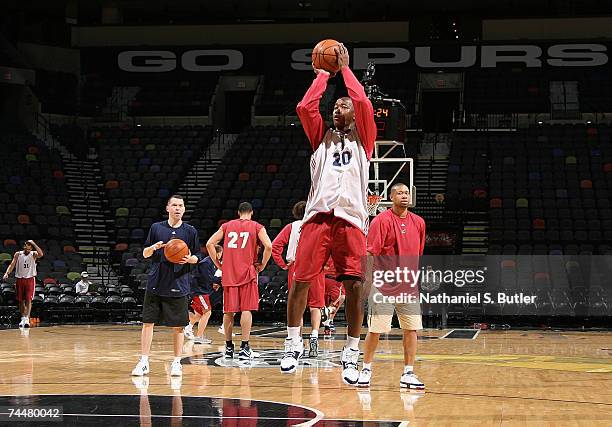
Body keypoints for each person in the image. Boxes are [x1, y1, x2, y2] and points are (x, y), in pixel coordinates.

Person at [281, 43, 376, 386]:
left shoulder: (365, 139)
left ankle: (351, 351)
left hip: (350, 220)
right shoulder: (319, 137)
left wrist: (346, 70)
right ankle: (293, 342)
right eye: (335, 106)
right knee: (300, 280)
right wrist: (323, 74)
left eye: (343, 106)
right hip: (318, 218)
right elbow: (306, 106)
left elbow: (363, 102)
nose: (338, 109)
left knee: (353, 286)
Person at [358, 183, 426, 390]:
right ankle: (366, 369)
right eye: (399, 193)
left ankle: (408, 372)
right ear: (391, 197)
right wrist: (368, 282)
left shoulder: (419, 222)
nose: (404, 196)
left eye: (406, 193)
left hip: (408, 284)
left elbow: (419, 251)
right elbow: (370, 253)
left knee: (411, 329)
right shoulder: (381, 220)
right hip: (383, 284)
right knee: (376, 330)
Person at [132, 195, 202, 377]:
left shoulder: (190, 231)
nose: (178, 208)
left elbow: (197, 257)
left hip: (179, 282)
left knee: (178, 326)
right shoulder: (157, 228)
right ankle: (144, 361)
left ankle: (177, 362)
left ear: (184, 209)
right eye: (174, 205)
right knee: (148, 323)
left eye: (181, 205)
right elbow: (146, 254)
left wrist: (190, 259)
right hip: (156, 282)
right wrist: (154, 248)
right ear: (168, 208)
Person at [206, 202, 273, 360]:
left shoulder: (227, 226)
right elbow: (269, 246)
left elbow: (209, 244)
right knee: (246, 310)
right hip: (247, 273)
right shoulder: (257, 226)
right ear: (251, 213)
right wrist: (262, 264)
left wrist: (219, 264)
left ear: (238, 213)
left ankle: (229, 348)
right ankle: (244, 347)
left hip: (229, 274)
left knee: (229, 312)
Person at [272, 201, 325, 357]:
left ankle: (297, 340)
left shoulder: (291, 227)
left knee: (297, 305)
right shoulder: (319, 226)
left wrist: (283, 264)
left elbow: (275, 246)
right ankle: (314, 335)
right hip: (316, 267)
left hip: (296, 266)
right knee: (316, 306)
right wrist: (327, 265)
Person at [183, 245, 223, 344]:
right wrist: (221, 281)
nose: (221, 256)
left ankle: (188, 327)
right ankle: (199, 337)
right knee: (207, 312)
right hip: (198, 291)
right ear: (217, 253)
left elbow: (210, 279)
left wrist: (216, 283)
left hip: (203, 290)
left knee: (199, 315)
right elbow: (208, 278)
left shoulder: (214, 263)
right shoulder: (206, 262)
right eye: (221, 254)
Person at [3, 240, 44, 328]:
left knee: (28, 300)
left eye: (30, 247)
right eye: (27, 246)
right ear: (24, 246)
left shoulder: (33, 254)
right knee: (21, 300)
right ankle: (23, 318)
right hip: (20, 279)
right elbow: (12, 264)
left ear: (31, 248)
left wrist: (34, 243)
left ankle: (27, 319)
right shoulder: (18, 254)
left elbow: (41, 254)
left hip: (30, 279)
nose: (28, 248)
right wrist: (7, 273)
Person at [322, 258, 345, 336]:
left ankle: (329, 320)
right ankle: (326, 321)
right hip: (325, 276)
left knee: (341, 297)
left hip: (338, 277)